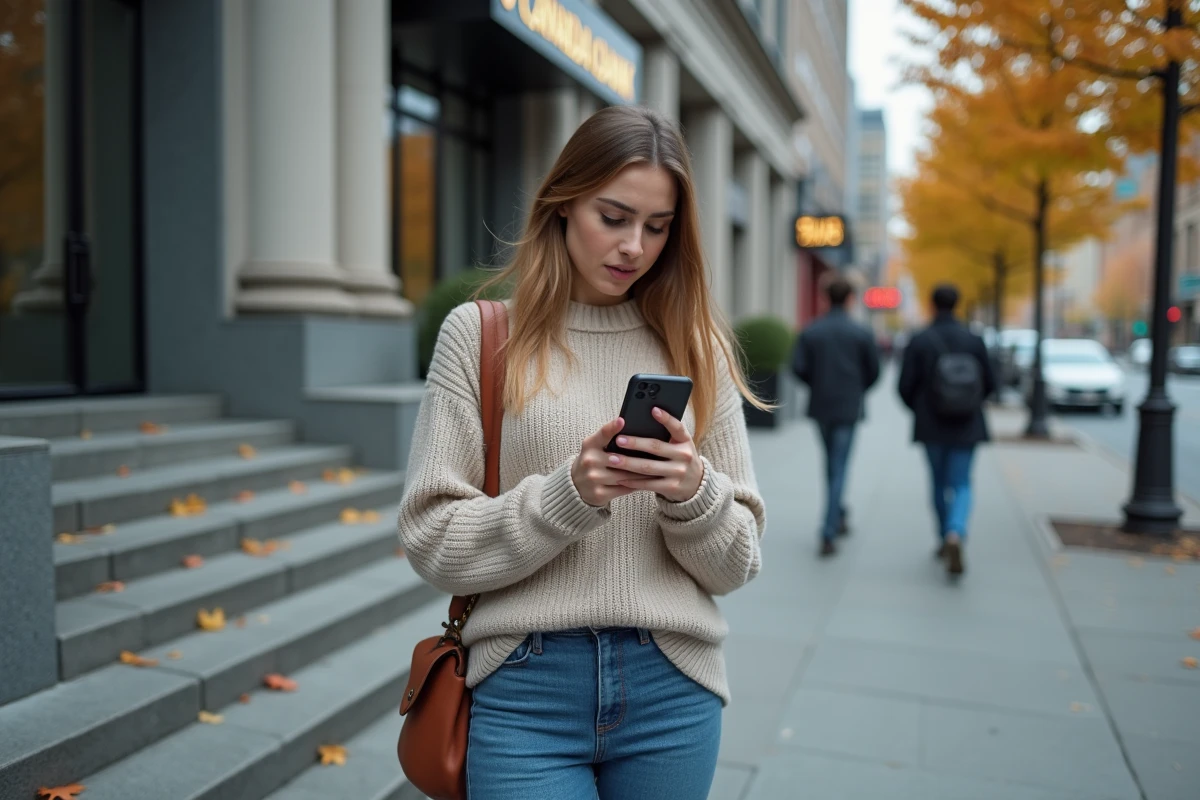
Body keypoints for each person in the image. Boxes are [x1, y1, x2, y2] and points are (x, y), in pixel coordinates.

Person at [397, 105, 766, 800]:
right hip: (524, 688)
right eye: (614, 216)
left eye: (658, 227)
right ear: (562, 206)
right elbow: (432, 540)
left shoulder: (697, 346)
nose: (634, 246)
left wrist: (693, 493)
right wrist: (571, 496)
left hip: (672, 687)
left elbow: (738, 563)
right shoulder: (480, 335)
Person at [898, 283, 997, 576]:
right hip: (967, 423)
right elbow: (990, 382)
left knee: (939, 483)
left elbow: (904, 386)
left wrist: (921, 409)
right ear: (957, 304)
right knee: (963, 482)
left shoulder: (920, 340)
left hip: (931, 424)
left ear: (931, 304)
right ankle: (956, 531)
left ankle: (944, 537)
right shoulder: (974, 340)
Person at [791, 276, 880, 557]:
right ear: (851, 299)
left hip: (821, 405)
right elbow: (874, 372)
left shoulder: (812, 331)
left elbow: (797, 367)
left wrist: (817, 385)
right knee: (839, 464)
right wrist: (856, 389)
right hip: (848, 406)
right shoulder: (861, 333)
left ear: (826, 298)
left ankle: (837, 514)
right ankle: (830, 528)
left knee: (832, 462)